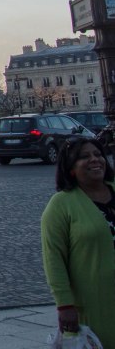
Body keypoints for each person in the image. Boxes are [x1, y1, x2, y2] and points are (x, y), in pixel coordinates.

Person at [41, 137, 115, 346]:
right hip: (95, 302)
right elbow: (53, 258)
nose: (95, 160)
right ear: (71, 168)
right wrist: (64, 305)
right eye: (85, 157)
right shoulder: (61, 205)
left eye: (98, 154)